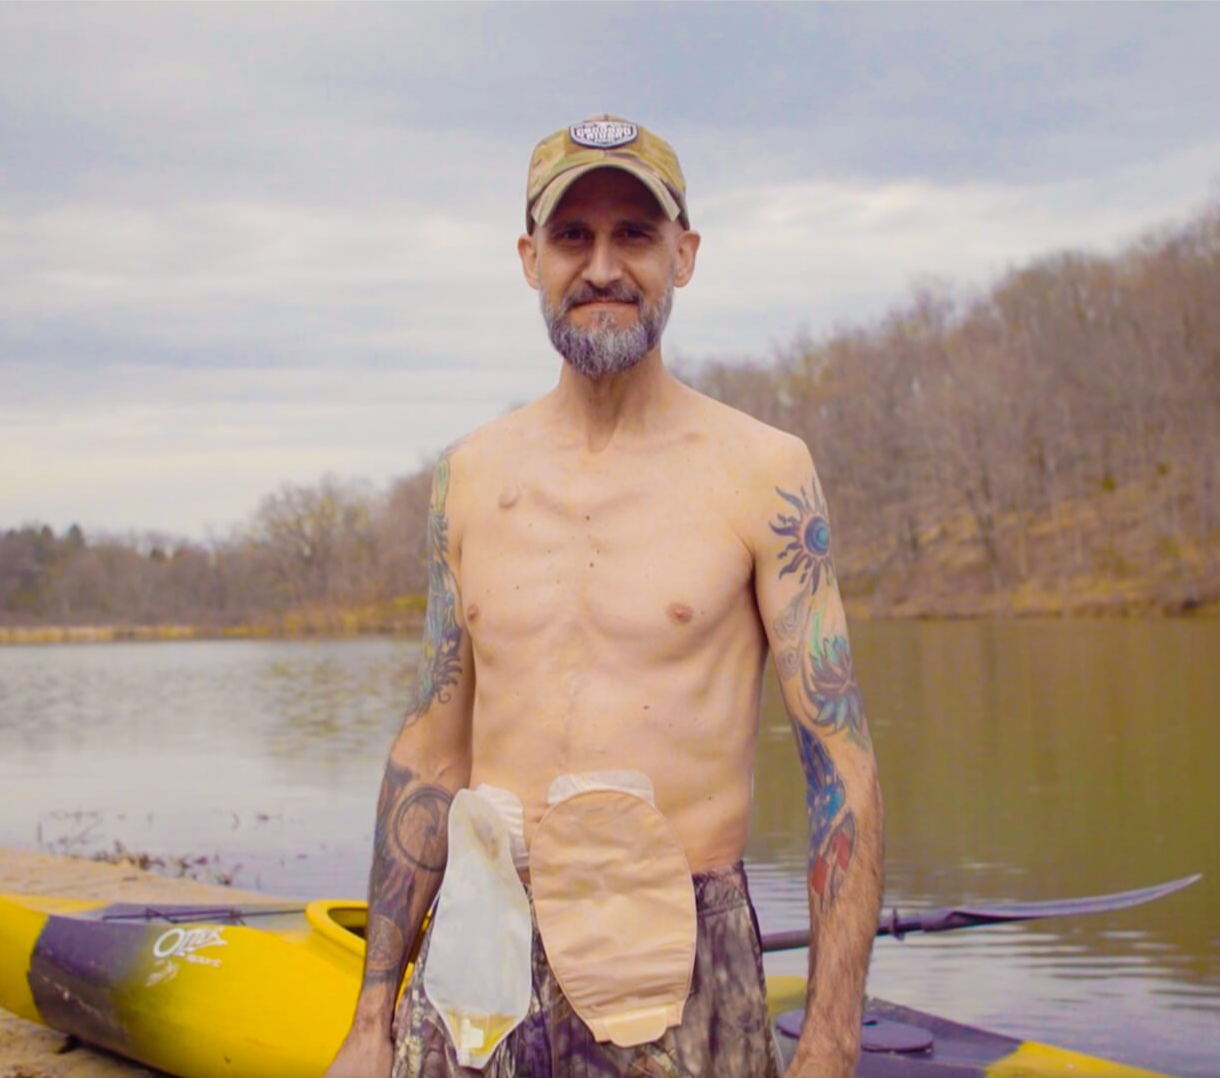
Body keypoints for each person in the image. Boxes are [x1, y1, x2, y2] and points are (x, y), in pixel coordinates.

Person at [327, 115, 883, 1078]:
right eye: (571, 236)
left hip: (676, 965)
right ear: (528, 256)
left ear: (685, 253)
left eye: (633, 233)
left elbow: (838, 763)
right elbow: (430, 746)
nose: (601, 267)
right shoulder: (468, 476)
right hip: (477, 955)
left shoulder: (764, 472)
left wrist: (830, 1041)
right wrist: (371, 1016)